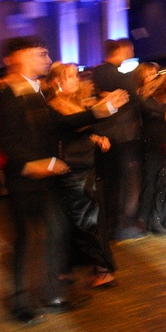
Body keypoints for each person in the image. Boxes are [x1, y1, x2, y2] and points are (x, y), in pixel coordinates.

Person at [0, 36, 127, 325]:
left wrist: (97, 112)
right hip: (24, 181)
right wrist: (33, 163)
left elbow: (57, 123)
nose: (47, 60)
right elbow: (8, 142)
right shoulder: (10, 93)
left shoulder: (36, 91)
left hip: (47, 179)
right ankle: (20, 302)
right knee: (25, 240)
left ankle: (53, 294)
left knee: (57, 231)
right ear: (22, 57)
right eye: (40, 54)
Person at [46, 62, 117, 289]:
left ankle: (90, 270)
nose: (76, 80)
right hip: (73, 168)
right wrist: (101, 110)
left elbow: (82, 129)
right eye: (70, 76)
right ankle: (98, 270)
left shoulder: (73, 102)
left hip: (85, 165)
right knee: (84, 220)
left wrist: (97, 138)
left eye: (76, 75)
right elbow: (72, 126)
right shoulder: (53, 105)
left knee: (85, 219)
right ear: (57, 82)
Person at [92, 38, 145, 241]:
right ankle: (122, 225)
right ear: (120, 50)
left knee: (110, 182)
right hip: (123, 134)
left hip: (106, 134)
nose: (130, 53)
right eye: (128, 50)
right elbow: (135, 99)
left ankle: (111, 225)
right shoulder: (119, 76)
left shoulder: (98, 73)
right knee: (126, 180)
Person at [133, 62, 166, 235]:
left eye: (155, 73)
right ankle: (152, 219)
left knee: (162, 180)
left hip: (159, 142)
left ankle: (157, 217)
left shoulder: (155, 94)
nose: (155, 77)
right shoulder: (141, 94)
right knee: (153, 181)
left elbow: (162, 111)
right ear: (141, 78)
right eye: (150, 74)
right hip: (150, 143)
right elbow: (155, 110)